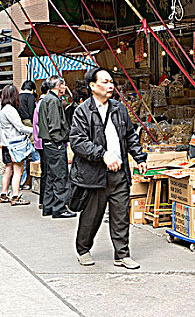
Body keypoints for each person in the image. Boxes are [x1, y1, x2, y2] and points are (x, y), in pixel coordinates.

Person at [70, 67, 147, 269]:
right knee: (91, 217)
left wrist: (139, 157)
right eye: (105, 81)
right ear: (93, 86)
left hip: (119, 173)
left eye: (111, 81)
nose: (110, 85)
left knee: (121, 215)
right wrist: (102, 155)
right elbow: (77, 142)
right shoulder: (83, 111)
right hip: (94, 175)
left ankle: (122, 254)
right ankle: (83, 249)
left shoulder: (119, 108)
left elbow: (129, 135)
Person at [38, 75, 75, 218]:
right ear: (59, 85)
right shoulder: (53, 100)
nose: (65, 87)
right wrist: (60, 141)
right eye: (63, 84)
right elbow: (55, 126)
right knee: (60, 176)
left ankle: (48, 207)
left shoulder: (46, 99)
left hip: (48, 143)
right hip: (55, 143)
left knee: (51, 176)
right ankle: (59, 208)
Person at [0, 85, 33, 205]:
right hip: (15, 143)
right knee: (18, 170)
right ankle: (15, 196)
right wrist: (35, 131)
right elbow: (20, 127)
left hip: (6, 143)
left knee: (8, 169)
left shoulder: (3, 109)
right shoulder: (10, 110)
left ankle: (3, 194)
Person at [33, 80, 50, 212]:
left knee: (45, 171)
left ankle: (43, 200)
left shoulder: (39, 103)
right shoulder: (45, 103)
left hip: (39, 141)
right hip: (44, 142)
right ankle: (44, 200)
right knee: (46, 172)